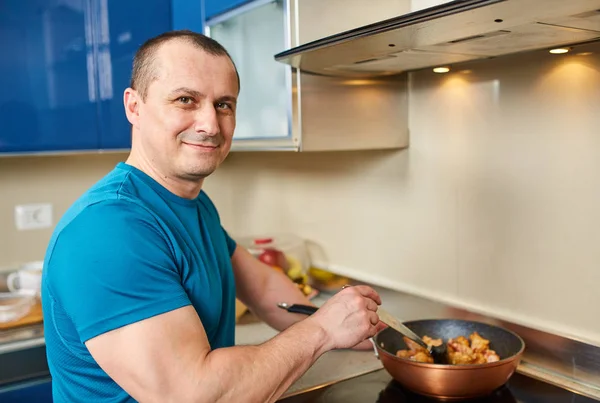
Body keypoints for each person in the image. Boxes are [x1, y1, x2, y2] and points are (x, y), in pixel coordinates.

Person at [41, 30, 384, 403]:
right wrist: (322, 331)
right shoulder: (106, 229)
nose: (210, 125)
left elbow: (266, 291)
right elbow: (195, 395)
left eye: (224, 104)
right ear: (134, 107)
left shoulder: (193, 204)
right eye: (186, 100)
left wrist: (362, 330)